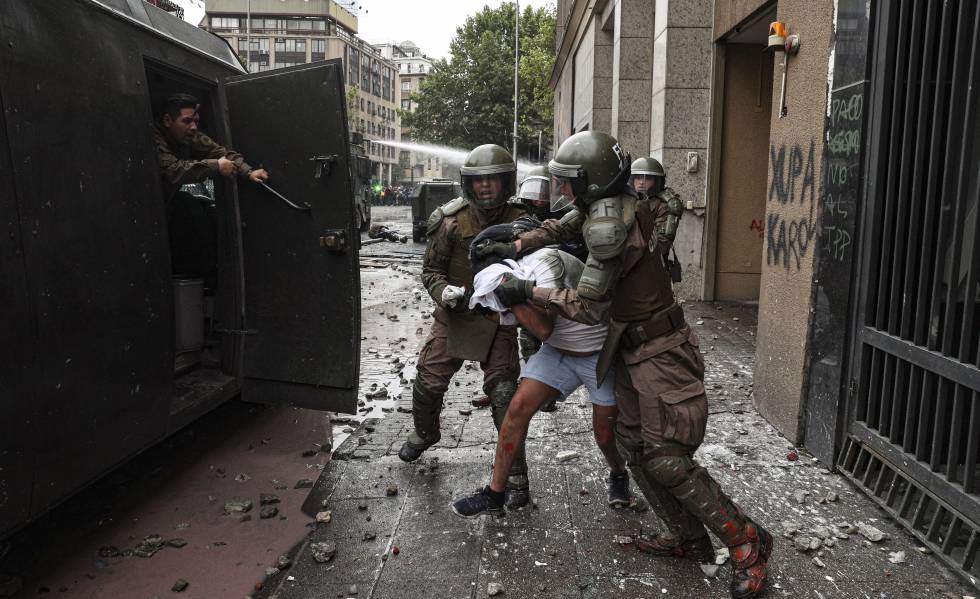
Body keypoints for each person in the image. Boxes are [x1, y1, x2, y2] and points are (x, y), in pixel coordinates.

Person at [475, 131, 772, 599]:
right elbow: (561, 225)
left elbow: (587, 305)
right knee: (634, 446)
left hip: (661, 350)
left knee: (666, 457)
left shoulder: (611, 225)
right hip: (633, 348)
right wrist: (514, 247)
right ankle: (687, 537)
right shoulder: (609, 201)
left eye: (570, 182)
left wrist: (526, 291)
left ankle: (747, 542)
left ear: (592, 182)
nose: (565, 191)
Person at [450, 232, 632, 518]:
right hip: (558, 352)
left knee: (605, 436)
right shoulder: (514, 275)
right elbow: (507, 318)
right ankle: (495, 495)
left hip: (598, 356)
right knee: (516, 410)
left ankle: (619, 473)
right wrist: (475, 306)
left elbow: (543, 326)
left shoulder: (545, 263)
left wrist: (512, 295)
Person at [398, 144, 532, 506]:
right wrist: (445, 293)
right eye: (479, 181)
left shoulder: (524, 221)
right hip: (455, 315)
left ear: (506, 182)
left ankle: (515, 473)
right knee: (428, 379)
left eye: (493, 180)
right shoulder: (451, 221)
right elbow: (430, 271)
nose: (486, 187)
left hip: (500, 319)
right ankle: (425, 433)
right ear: (468, 184)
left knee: (504, 393)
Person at [154, 93, 268, 281]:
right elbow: (173, 170)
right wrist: (216, 165)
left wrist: (248, 172)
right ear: (167, 120)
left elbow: (221, 152)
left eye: (196, 121)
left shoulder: (190, 135)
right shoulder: (154, 137)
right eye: (187, 121)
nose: (193, 127)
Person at [630, 156, 683, 281]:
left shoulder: (663, 206)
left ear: (657, 181)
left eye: (647, 178)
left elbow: (662, 244)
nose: (641, 182)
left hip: (650, 267)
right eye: (638, 177)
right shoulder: (628, 200)